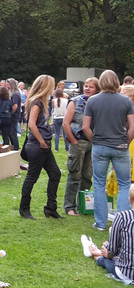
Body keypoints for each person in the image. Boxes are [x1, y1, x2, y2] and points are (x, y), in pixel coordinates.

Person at [83, 70, 134, 231]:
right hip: (120, 146)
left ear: (101, 83)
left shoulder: (92, 101)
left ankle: (100, 223)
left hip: (99, 147)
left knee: (98, 184)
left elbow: (85, 127)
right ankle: (124, 223)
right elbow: (132, 126)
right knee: (125, 184)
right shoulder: (126, 101)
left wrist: (95, 141)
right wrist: (126, 141)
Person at [19, 74, 61, 220]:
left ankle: (51, 208)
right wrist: (42, 141)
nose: (53, 88)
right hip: (38, 146)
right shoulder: (37, 102)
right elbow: (31, 124)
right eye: (52, 85)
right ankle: (24, 208)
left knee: (55, 174)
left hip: (43, 145)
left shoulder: (40, 102)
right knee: (32, 177)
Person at [80, 185, 134, 284]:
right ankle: (93, 249)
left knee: (106, 259)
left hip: (127, 272)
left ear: (129, 200)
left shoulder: (122, 216)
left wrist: (108, 249)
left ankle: (92, 251)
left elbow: (111, 251)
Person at [63, 77, 99, 216]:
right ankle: (69, 206)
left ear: (97, 89)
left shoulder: (98, 102)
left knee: (87, 175)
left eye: (91, 87)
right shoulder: (75, 101)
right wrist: (73, 140)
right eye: (86, 86)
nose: (87, 88)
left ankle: (84, 205)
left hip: (94, 143)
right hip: (79, 142)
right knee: (74, 174)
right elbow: (66, 123)